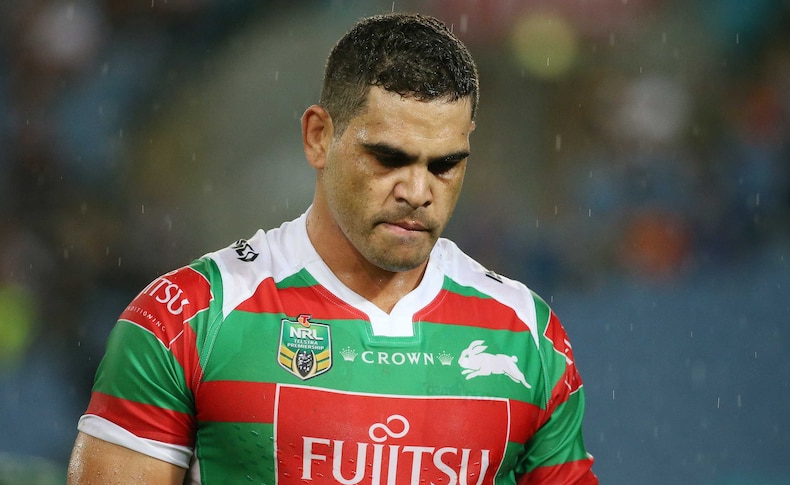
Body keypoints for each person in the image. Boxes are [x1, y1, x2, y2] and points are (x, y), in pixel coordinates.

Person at [67, 12, 598, 484]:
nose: (418, 192)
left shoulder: (528, 336)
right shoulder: (185, 320)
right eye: (388, 158)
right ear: (319, 136)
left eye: (444, 165)